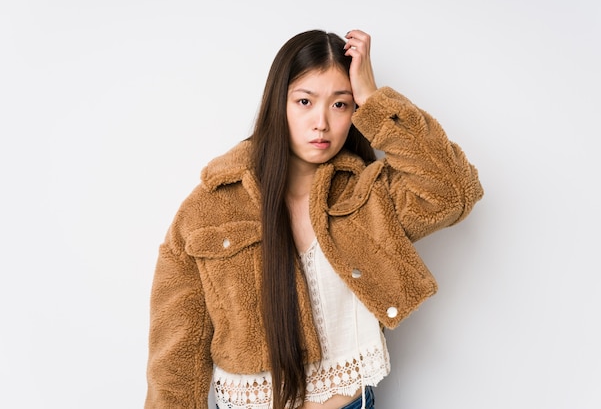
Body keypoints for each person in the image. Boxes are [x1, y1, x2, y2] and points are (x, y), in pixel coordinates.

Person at [145, 29, 483, 409]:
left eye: (340, 105)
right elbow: (176, 352)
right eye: (304, 101)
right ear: (278, 104)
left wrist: (373, 98)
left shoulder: (365, 195)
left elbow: (452, 191)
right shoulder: (209, 207)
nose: (321, 122)